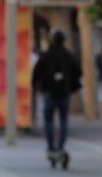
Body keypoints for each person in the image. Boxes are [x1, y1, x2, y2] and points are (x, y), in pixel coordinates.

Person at [31, 30, 81, 160]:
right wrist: (71, 87)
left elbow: (36, 74)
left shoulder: (46, 56)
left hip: (49, 93)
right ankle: (61, 146)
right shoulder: (69, 55)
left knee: (49, 120)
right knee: (63, 119)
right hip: (64, 93)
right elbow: (78, 72)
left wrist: (39, 87)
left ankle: (51, 146)